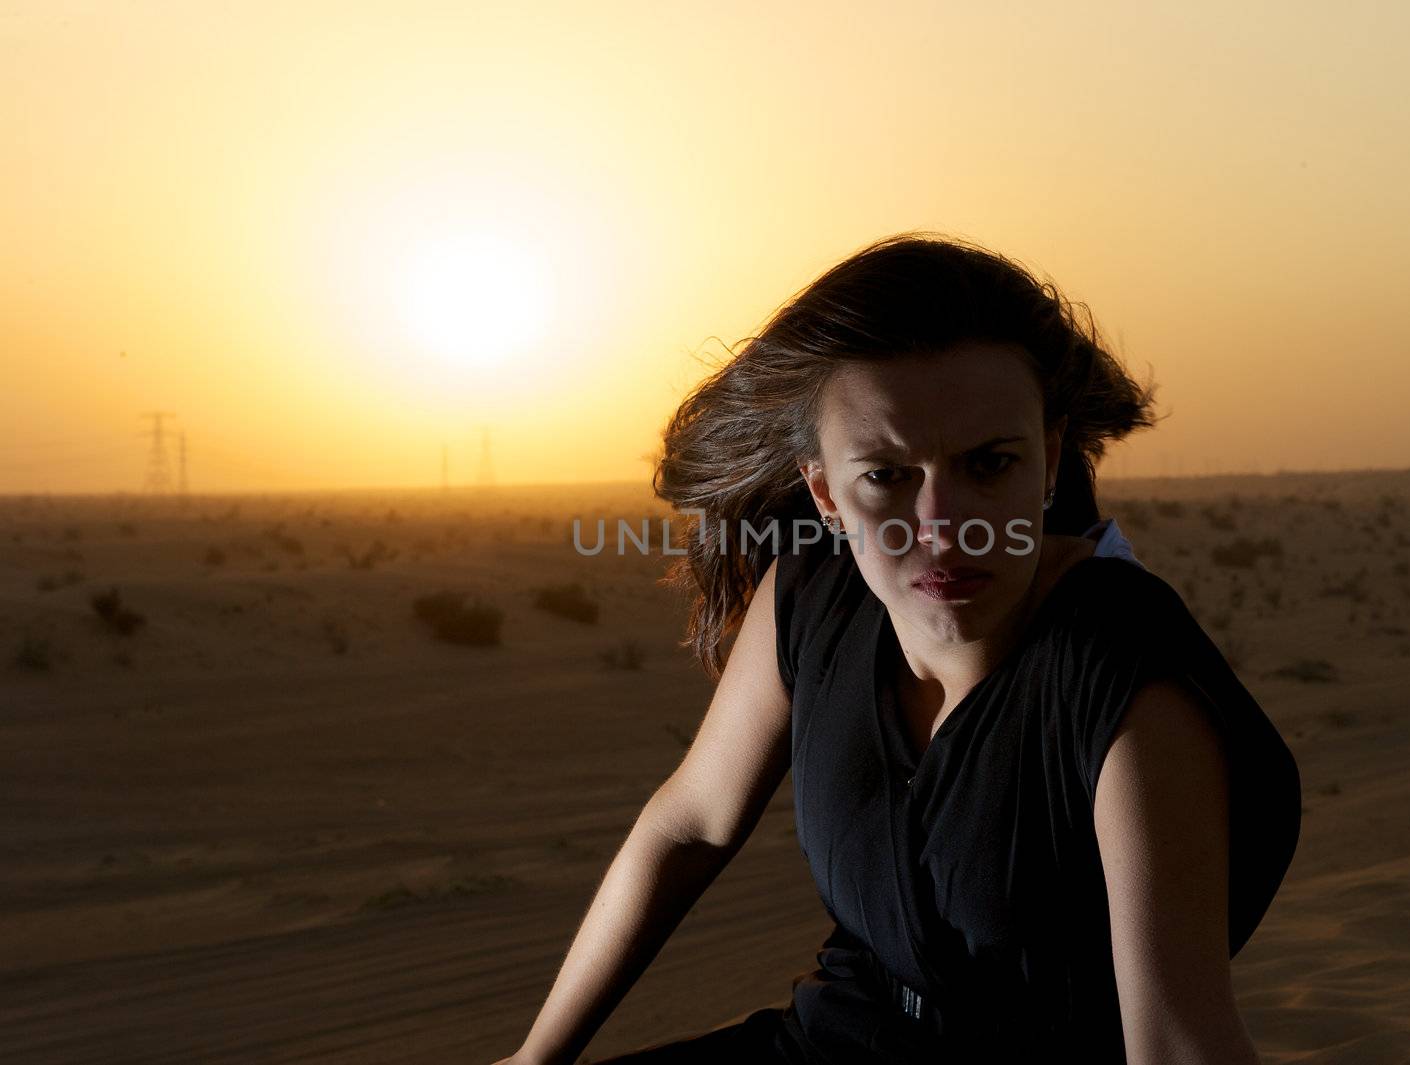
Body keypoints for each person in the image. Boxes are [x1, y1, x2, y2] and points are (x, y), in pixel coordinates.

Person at [492, 233, 1301, 1065]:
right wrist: (533, 1059)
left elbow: (1176, 1044)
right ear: (824, 492)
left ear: (1050, 460)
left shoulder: (1124, 680)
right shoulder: (812, 594)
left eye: (989, 463)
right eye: (886, 476)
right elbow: (690, 827)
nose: (946, 527)